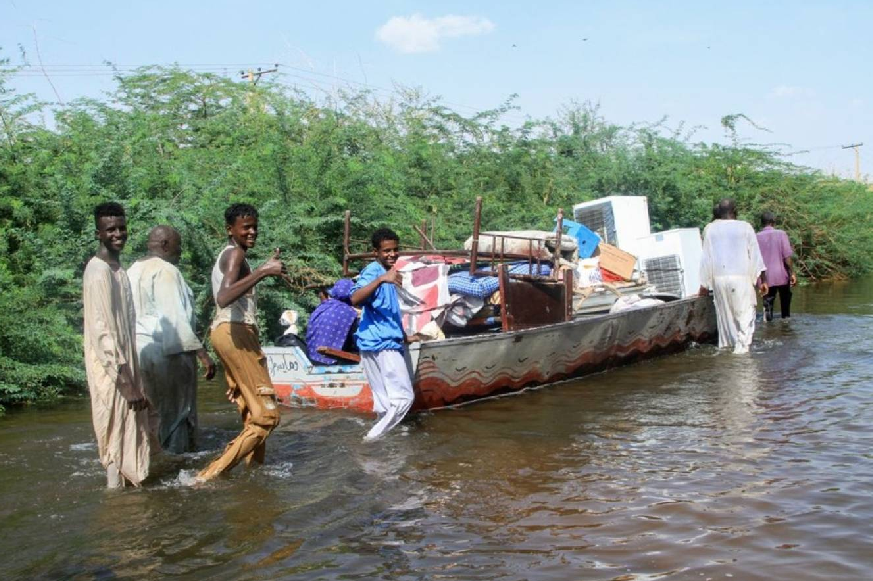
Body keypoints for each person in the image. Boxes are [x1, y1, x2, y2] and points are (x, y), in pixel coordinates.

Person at [197, 203, 287, 481]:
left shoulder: (234, 255)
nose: (252, 232)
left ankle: (254, 475)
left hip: (228, 332)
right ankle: (206, 477)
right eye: (245, 227)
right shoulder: (235, 253)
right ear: (230, 230)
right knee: (267, 417)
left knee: (252, 413)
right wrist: (263, 271)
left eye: (254, 226)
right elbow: (223, 298)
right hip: (234, 331)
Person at [82, 202, 155, 488]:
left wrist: (134, 379)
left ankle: (130, 498)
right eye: (110, 229)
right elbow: (102, 333)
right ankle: (116, 503)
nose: (118, 234)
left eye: (122, 228)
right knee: (113, 436)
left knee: (132, 430)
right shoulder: (97, 272)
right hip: (110, 371)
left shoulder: (118, 270)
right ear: (98, 233)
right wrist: (125, 383)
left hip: (126, 365)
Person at [128, 226, 216, 454]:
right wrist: (203, 355)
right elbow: (174, 318)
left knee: (150, 413)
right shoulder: (166, 271)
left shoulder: (132, 270)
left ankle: (152, 461)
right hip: (168, 353)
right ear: (165, 244)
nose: (181, 252)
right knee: (178, 413)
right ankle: (179, 465)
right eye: (179, 246)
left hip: (137, 351)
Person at [350, 228, 415, 441]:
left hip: (372, 342)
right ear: (375, 252)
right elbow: (355, 299)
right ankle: (371, 440)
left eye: (395, 250)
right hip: (382, 343)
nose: (392, 254)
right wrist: (381, 279)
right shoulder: (374, 271)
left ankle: (383, 458)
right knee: (404, 398)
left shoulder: (388, 274)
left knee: (385, 403)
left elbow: (389, 311)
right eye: (386, 251)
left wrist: (404, 336)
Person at [698, 199, 768, 354]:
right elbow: (755, 255)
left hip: (718, 279)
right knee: (744, 317)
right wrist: (762, 280)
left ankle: (727, 351)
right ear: (734, 210)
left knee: (725, 318)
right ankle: (742, 354)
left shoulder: (710, 229)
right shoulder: (745, 227)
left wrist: (703, 284)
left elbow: (705, 258)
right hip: (741, 279)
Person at [306, 279, 359, 364]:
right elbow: (355, 341)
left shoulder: (322, 307)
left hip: (310, 357)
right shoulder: (350, 313)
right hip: (331, 361)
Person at [757, 211, 797, 321]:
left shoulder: (756, 237)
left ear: (762, 223)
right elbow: (787, 258)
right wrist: (792, 273)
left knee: (768, 304)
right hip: (782, 275)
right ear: (773, 222)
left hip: (765, 277)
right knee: (785, 302)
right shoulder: (781, 234)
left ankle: (768, 330)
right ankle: (786, 324)